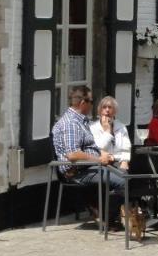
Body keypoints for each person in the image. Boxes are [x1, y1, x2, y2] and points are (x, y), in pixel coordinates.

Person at [51, 85, 126, 221]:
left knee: (126, 173)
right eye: (91, 101)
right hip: (77, 171)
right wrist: (99, 159)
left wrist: (102, 154)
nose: (92, 105)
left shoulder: (81, 121)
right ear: (82, 103)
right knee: (123, 181)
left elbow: (88, 146)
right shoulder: (71, 123)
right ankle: (106, 217)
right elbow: (73, 154)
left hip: (89, 166)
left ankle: (104, 211)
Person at [89, 96, 131, 174]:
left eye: (110, 107)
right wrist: (107, 131)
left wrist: (125, 161)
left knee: (124, 174)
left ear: (114, 111)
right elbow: (97, 147)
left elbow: (126, 147)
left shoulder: (121, 127)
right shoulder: (93, 127)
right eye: (104, 107)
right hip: (101, 163)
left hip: (118, 161)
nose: (107, 110)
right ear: (99, 111)